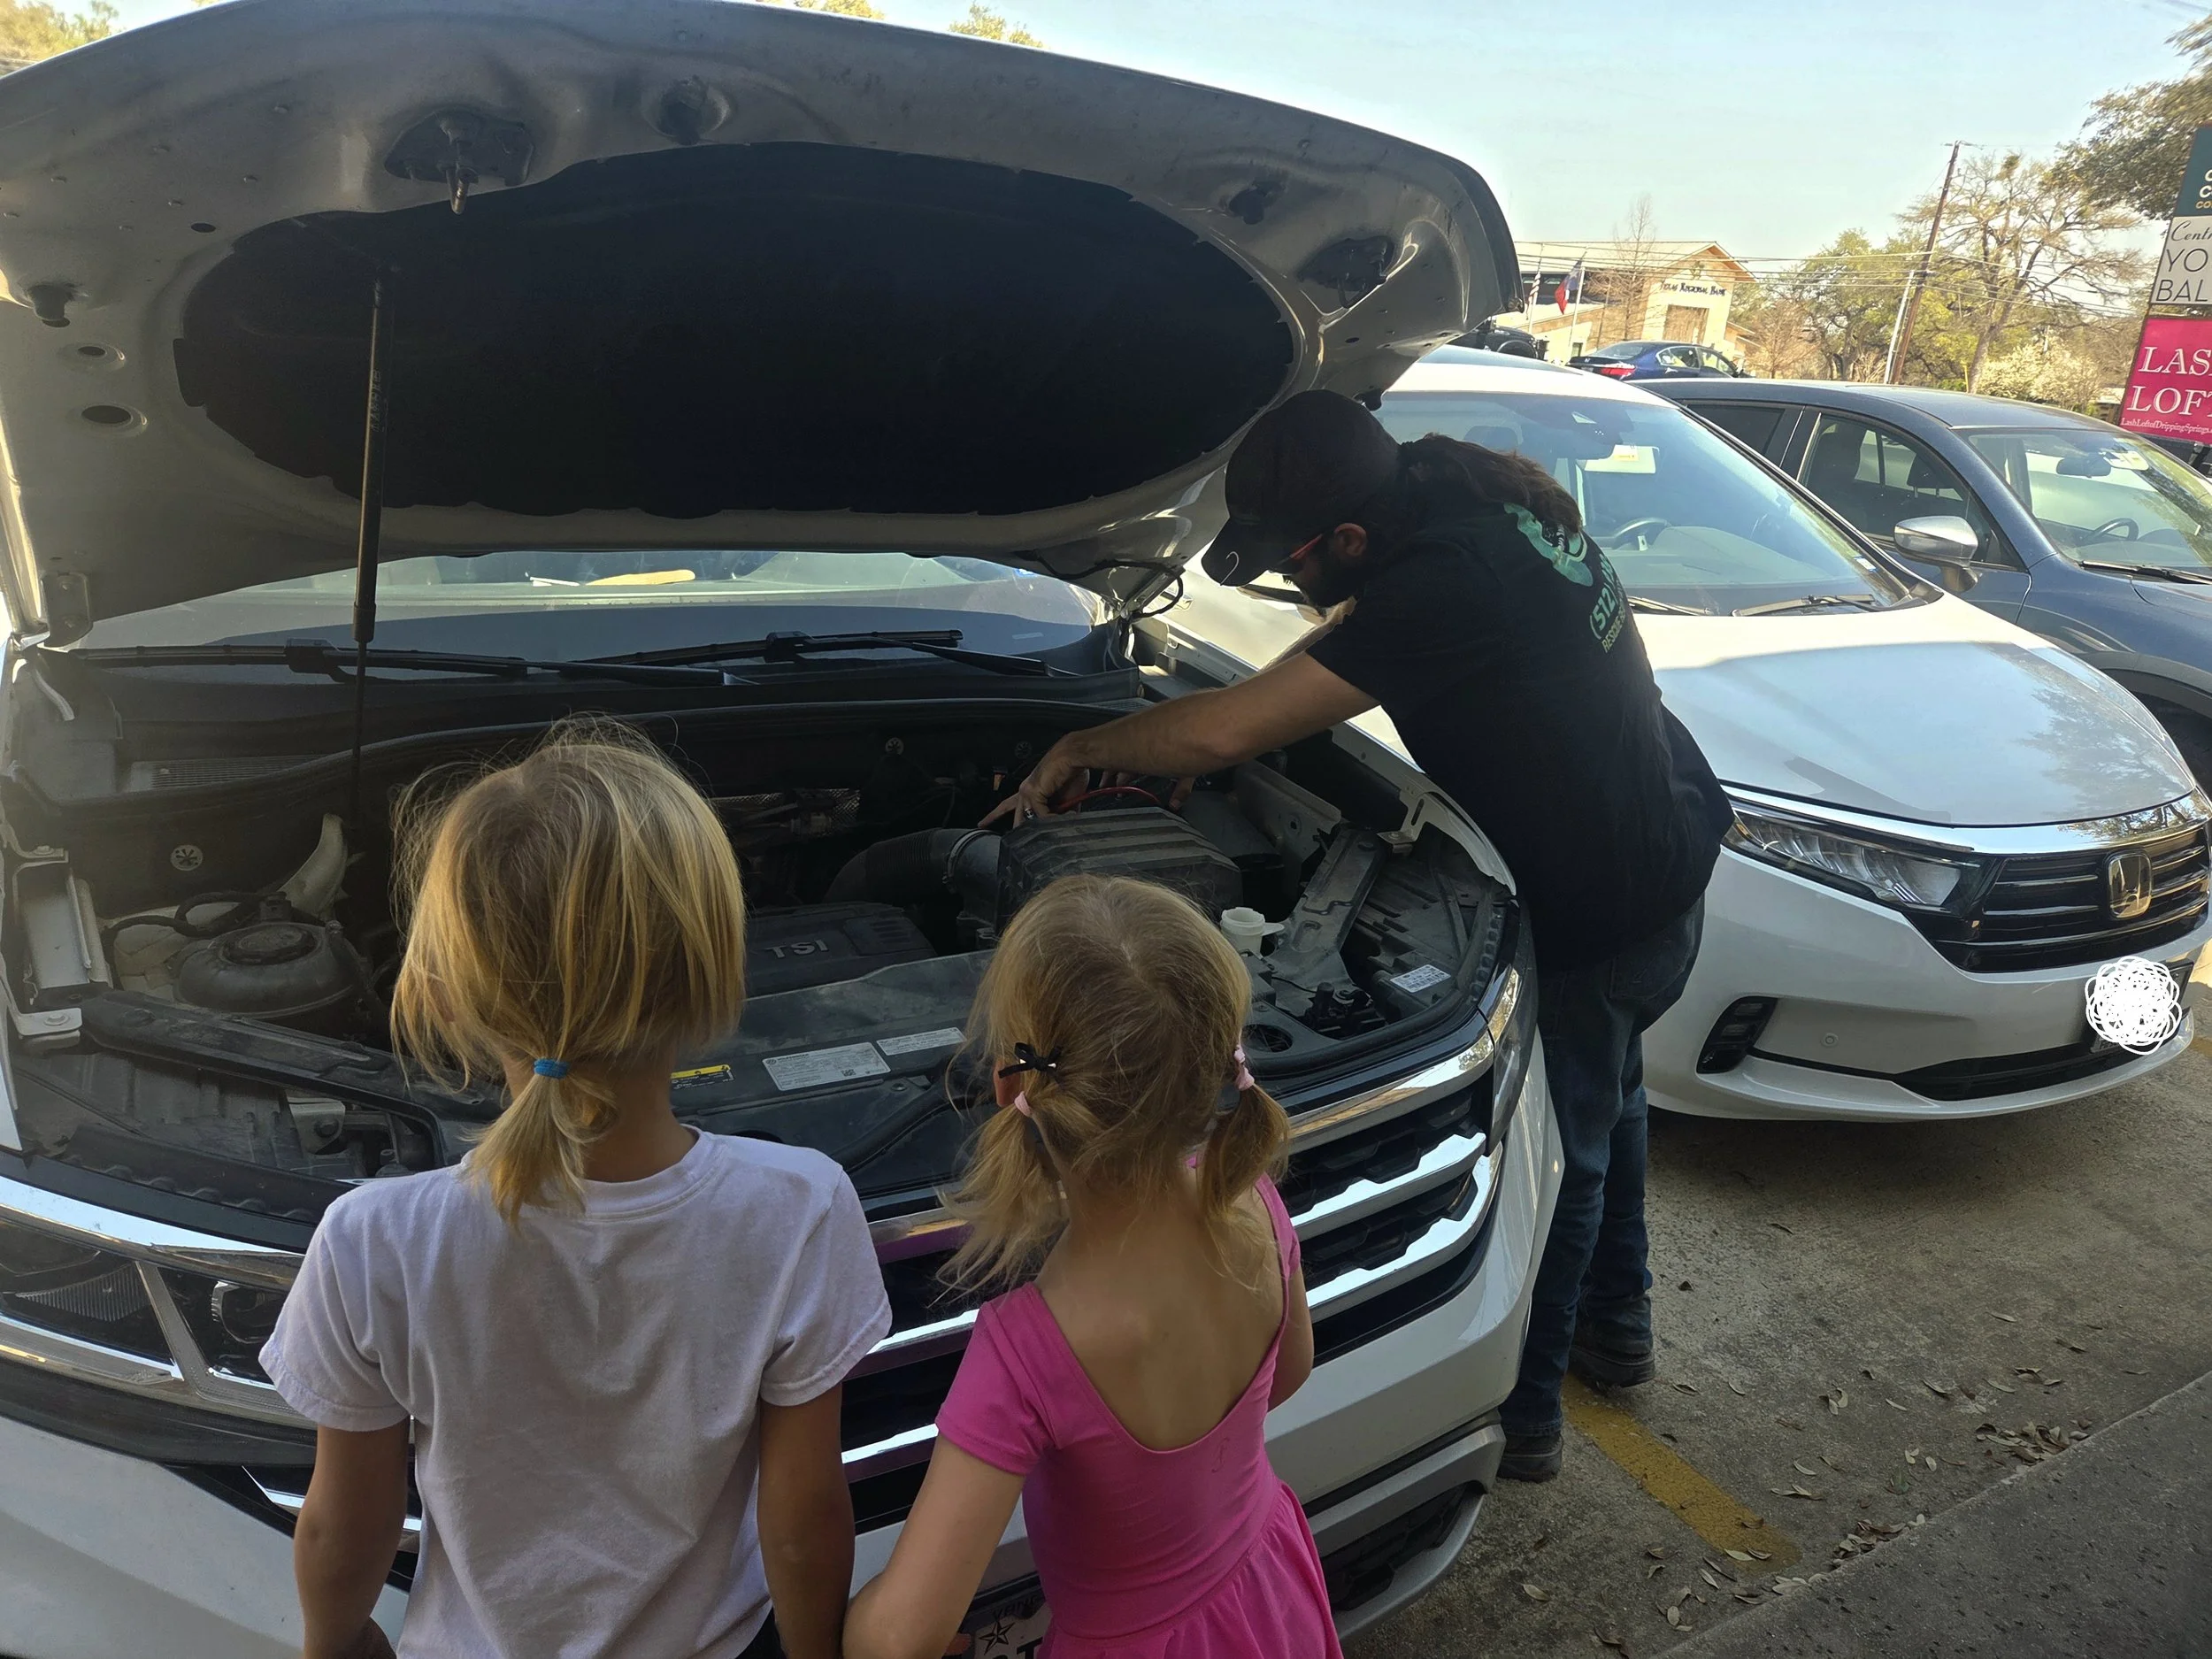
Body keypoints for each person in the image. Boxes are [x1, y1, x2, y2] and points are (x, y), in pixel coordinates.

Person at [987, 390, 1732, 1483]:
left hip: (1602, 905)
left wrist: (1085, 749)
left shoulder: (1441, 581)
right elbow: (1317, 663)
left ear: (1346, 538)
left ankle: (1528, 1414)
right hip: (1665, 853)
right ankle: (1619, 1330)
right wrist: (1183, 740)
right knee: (1610, 1105)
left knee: (1562, 1159)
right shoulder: (1450, 490)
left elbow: (1232, 727)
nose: (1291, 583)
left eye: (1292, 562)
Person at [260, 724, 890, 1659]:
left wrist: (333, 1644)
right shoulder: (799, 1208)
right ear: (709, 964)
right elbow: (801, 1524)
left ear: (447, 992)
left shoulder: (372, 1239)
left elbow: (342, 1527)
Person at [842, 875, 1336, 1659]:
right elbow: (1290, 1373)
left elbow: (899, 1639)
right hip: (1265, 1596)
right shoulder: (1256, 1202)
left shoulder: (1027, 1350)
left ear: (1010, 1083)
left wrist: (838, 1613)